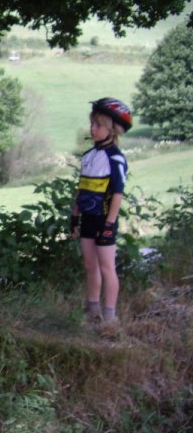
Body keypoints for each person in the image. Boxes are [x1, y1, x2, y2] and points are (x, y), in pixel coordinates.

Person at [71, 98, 131, 324]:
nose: (93, 129)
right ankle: (93, 310)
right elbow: (82, 189)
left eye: (98, 125)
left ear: (112, 130)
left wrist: (109, 224)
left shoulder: (115, 158)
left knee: (107, 268)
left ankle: (110, 317)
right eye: (92, 124)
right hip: (87, 218)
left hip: (105, 220)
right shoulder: (88, 156)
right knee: (90, 266)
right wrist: (74, 216)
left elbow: (118, 193)